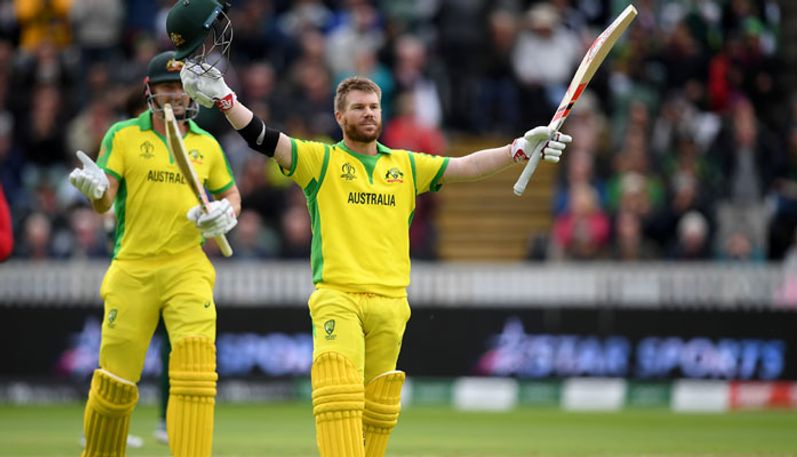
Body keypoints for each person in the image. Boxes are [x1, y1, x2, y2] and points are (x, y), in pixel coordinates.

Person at [167, 2, 570, 456]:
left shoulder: (406, 165)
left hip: (392, 302)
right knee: (338, 399)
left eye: (374, 106)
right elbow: (263, 137)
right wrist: (225, 99)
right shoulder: (321, 160)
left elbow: (466, 166)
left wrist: (518, 148)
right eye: (358, 107)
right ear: (340, 116)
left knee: (377, 413)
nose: (368, 113)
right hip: (339, 295)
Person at [68, 50, 241, 457]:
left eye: (180, 90)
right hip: (133, 269)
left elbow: (230, 193)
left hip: (188, 267)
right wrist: (96, 195)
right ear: (150, 91)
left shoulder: (206, 144)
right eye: (166, 89)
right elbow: (104, 198)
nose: (175, 98)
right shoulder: (124, 135)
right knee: (115, 384)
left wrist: (225, 212)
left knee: (197, 375)